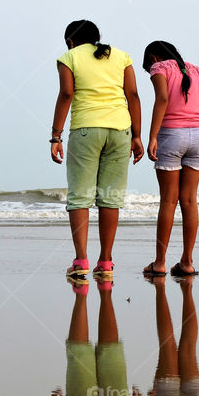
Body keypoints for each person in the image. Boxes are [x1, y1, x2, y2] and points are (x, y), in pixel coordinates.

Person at [50, 20, 144, 283]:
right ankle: (105, 262)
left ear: (70, 41)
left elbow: (66, 94)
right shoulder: (121, 56)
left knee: (80, 197)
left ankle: (80, 261)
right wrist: (137, 135)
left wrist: (55, 136)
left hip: (85, 129)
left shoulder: (68, 57)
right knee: (110, 197)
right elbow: (133, 95)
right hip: (120, 130)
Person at [140, 41, 199, 278]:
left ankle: (160, 263)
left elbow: (162, 99)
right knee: (189, 201)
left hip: (172, 135)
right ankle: (186, 262)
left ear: (153, 58)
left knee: (168, 201)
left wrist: (152, 136)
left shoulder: (160, 68)